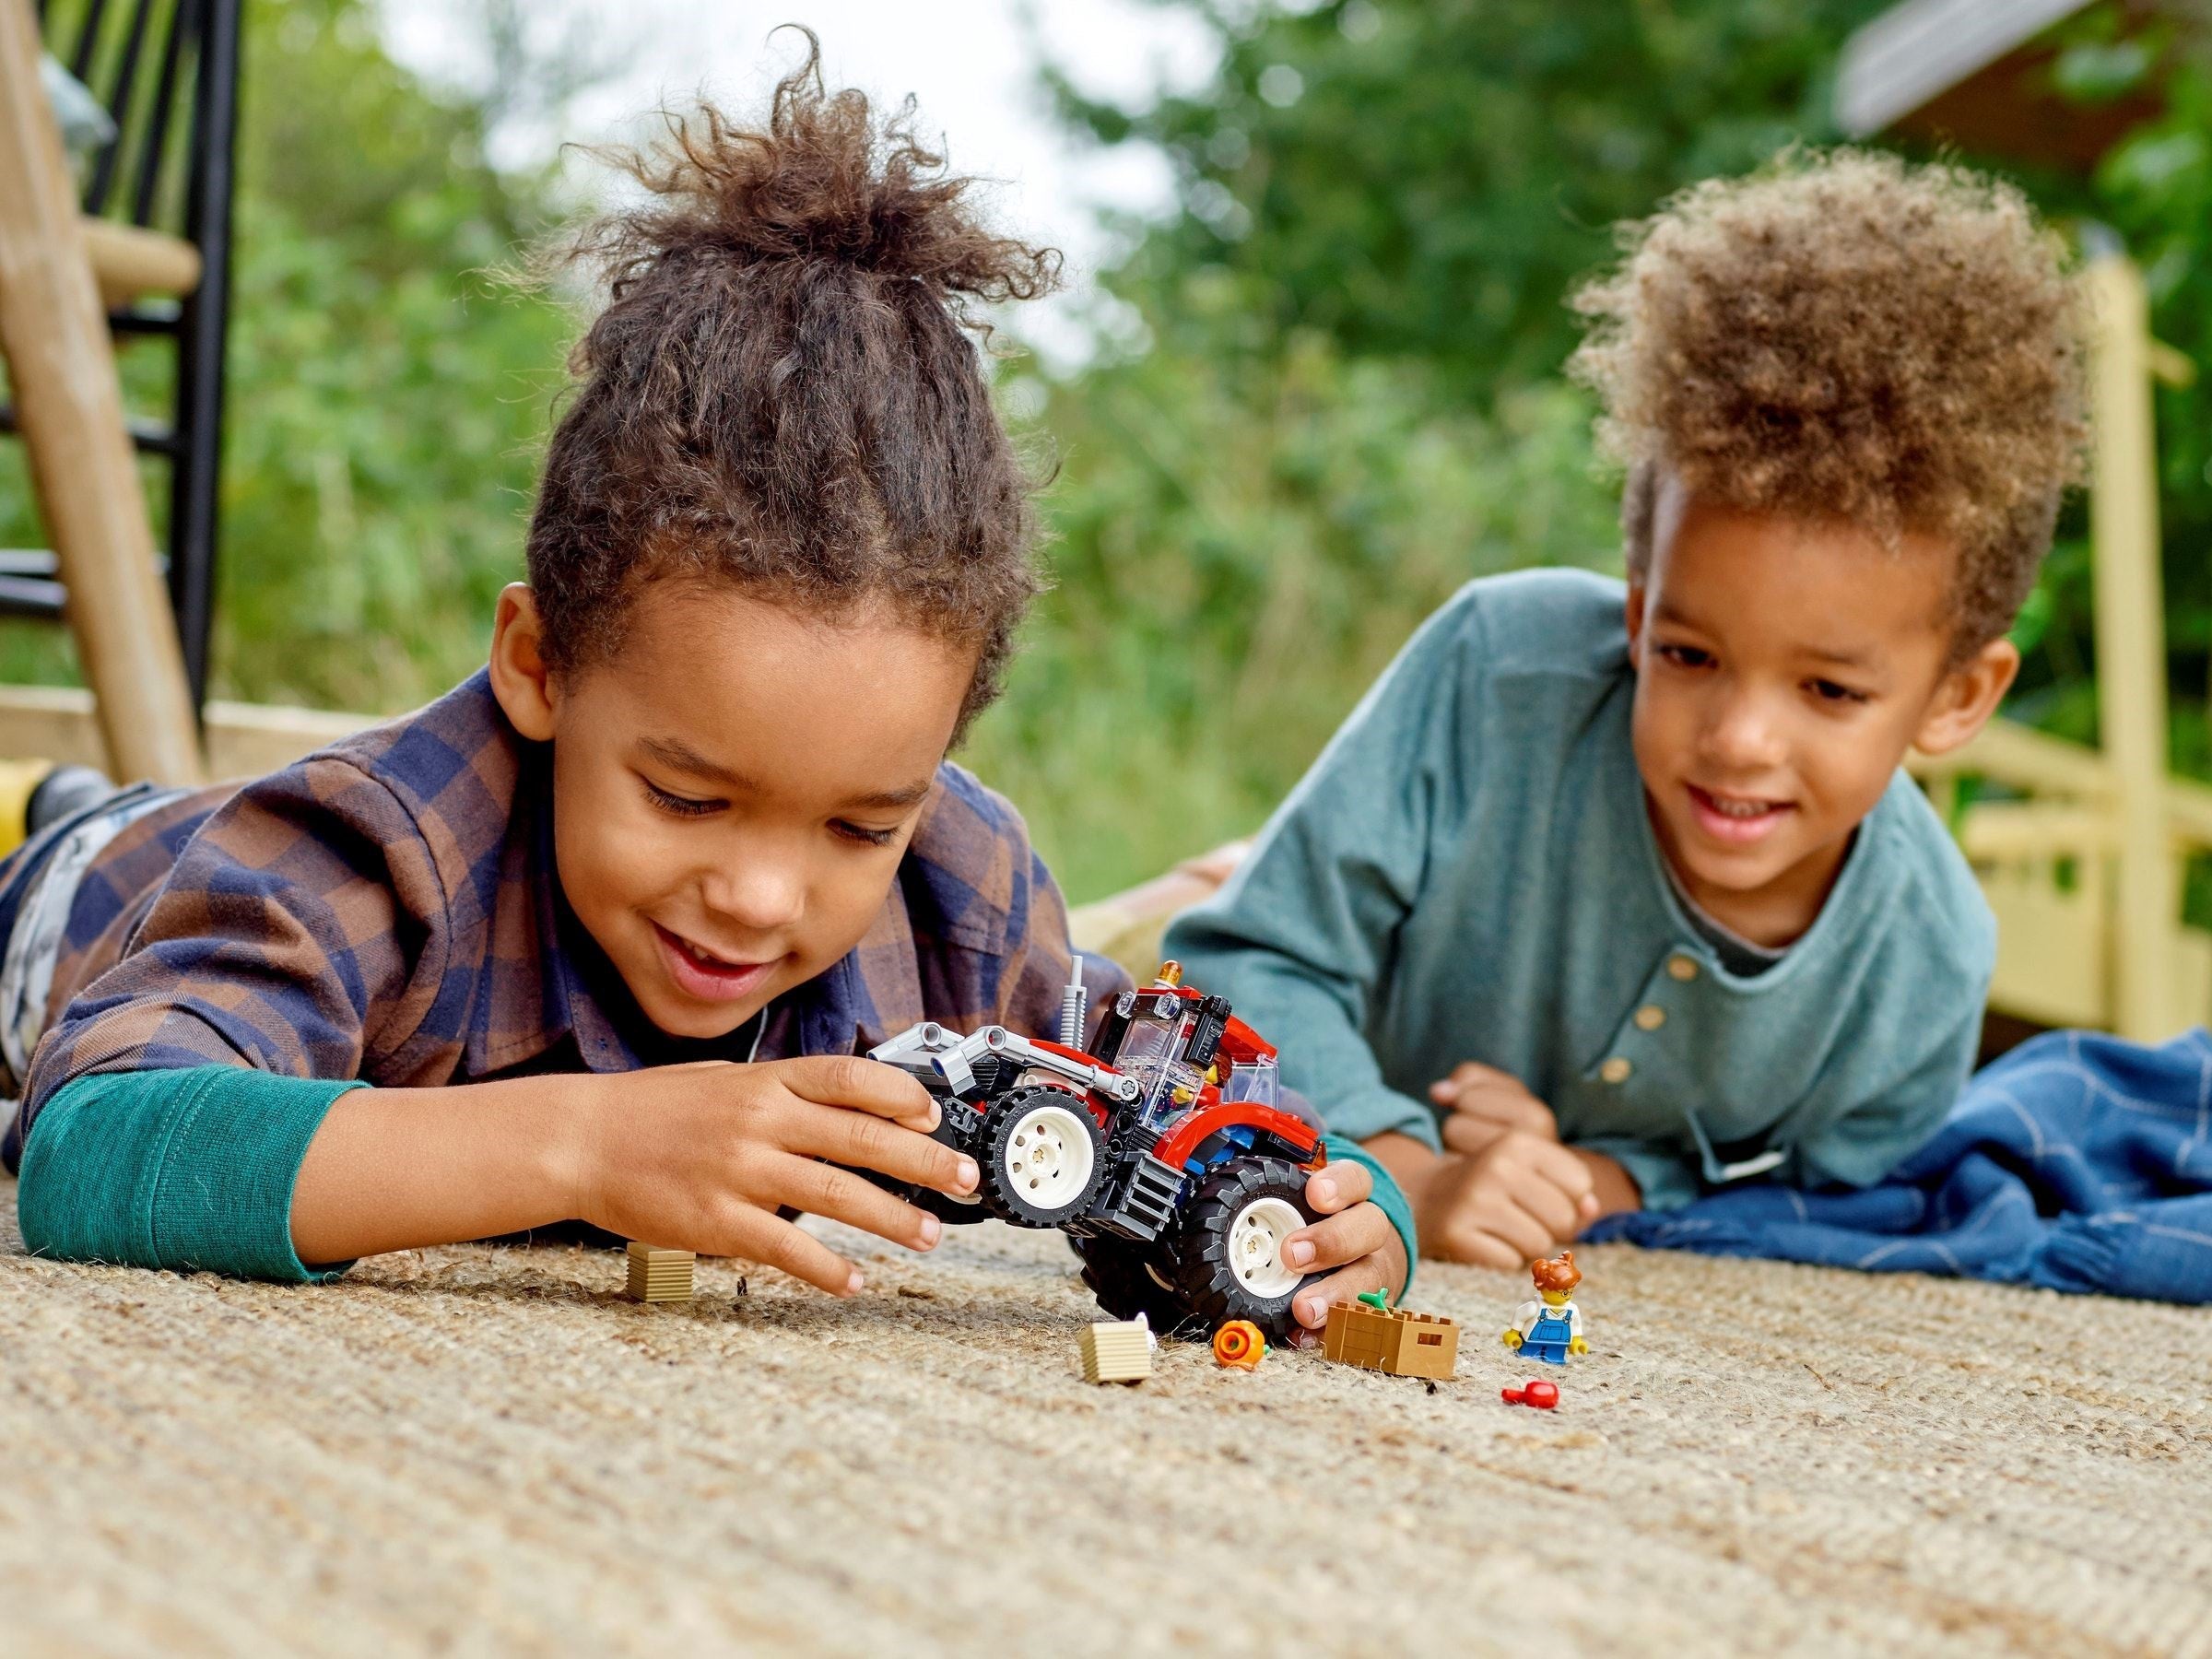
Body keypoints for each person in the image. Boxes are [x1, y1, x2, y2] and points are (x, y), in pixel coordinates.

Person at [3, 40, 1410, 1325]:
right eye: (687, 796)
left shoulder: (959, 899)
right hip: (77, 894)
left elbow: (1182, 1100)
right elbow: (94, 1152)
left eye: (858, 825)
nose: (759, 897)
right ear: (539, 665)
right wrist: (589, 1138)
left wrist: (1353, 1207)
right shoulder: (377, 851)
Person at [1166, 150, 2087, 1269]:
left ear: (1958, 696)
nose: (1741, 739)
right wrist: (1407, 1171)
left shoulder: (1926, 971)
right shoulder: (1499, 665)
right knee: (1083, 986)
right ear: (1640, 612)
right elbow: (1240, 963)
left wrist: (1595, 1177)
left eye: (1829, 690)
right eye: (1689, 653)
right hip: (1254, 918)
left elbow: (1801, 1184)